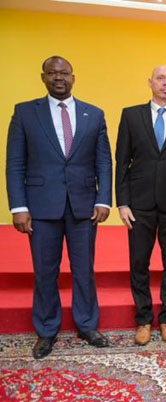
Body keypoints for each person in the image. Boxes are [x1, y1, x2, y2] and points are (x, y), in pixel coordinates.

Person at [5, 56, 112, 359]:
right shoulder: (25, 113)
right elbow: (15, 163)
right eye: (52, 73)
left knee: (84, 270)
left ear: (73, 77)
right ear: (43, 78)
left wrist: (103, 199)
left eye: (64, 73)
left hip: (84, 206)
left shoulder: (94, 114)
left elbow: (104, 160)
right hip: (41, 206)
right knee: (45, 271)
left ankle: (87, 325)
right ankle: (46, 330)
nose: (58, 77)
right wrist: (18, 206)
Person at [115, 65, 166, 345]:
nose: (165, 84)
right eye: (160, 78)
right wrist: (122, 202)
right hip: (139, 205)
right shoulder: (131, 116)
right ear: (150, 82)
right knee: (139, 263)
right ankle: (143, 320)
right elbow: (122, 162)